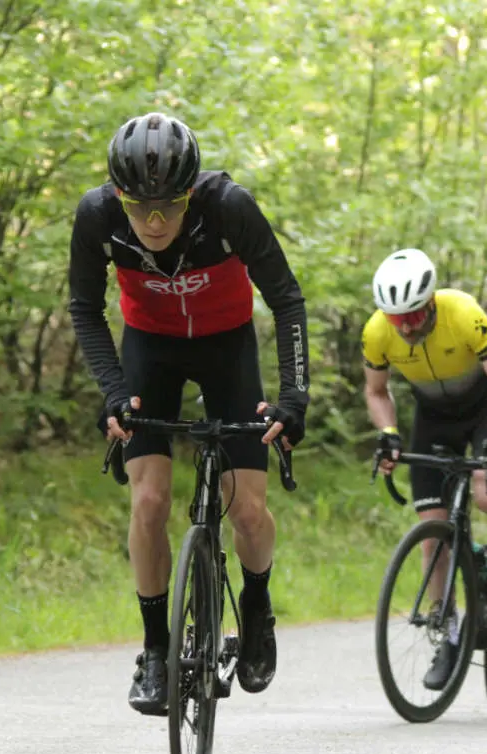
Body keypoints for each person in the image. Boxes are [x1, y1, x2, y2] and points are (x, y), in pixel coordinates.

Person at [68, 112, 310, 715]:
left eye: (170, 206)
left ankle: (256, 605)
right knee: (149, 501)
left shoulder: (229, 208)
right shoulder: (97, 216)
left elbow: (286, 299)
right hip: (150, 349)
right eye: (139, 207)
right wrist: (113, 390)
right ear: (117, 196)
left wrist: (294, 398)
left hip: (228, 347)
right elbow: (84, 308)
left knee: (247, 509)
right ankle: (155, 650)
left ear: (191, 194)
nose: (154, 222)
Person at [361, 248, 487, 690]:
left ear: (432, 302)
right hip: (434, 418)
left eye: (414, 316)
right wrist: (388, 432)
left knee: (486, 494)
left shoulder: (463, 313)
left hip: (485, 410)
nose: (406, 328)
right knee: (433, 532)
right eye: (397, 319)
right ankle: (449, 632)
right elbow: (376, 391)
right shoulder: (377, 332)